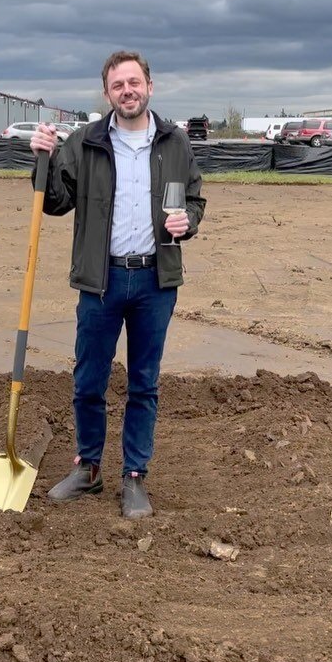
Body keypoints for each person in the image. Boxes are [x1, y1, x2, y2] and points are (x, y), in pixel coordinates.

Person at [30, 51, 206, 519]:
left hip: (155, 280)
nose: (127, 91)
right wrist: (43, 160)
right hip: (100, 281)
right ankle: (88, 468)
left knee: (144, 384)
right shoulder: (85, 141)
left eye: (134, 82)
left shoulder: (175, 143)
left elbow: (194, 198)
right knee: (89, 381)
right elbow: (55, 203)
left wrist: (187, 221)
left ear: (150, 86)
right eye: (117, 85)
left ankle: (133, 477)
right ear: (107, 94)